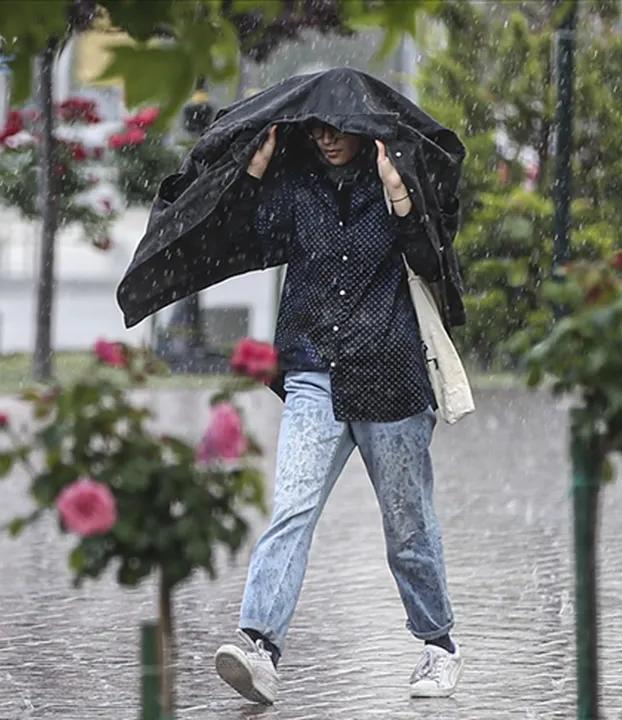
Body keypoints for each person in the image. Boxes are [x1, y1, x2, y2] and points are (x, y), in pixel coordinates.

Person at [211, 119, 463, 705]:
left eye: (339, 130)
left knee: (408, 524)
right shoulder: (296, 184)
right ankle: (259, 647)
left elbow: (431, 260)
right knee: (292, 508)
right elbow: (252, 241)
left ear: (363, 130)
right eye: (318, 130)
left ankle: (439, 645)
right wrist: (257, 165)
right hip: (313, 373)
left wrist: (397, 191)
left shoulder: (394, 180)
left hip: (392, 377)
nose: (327, 140)